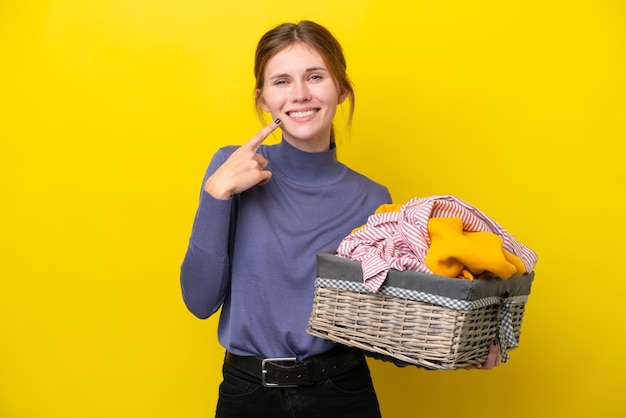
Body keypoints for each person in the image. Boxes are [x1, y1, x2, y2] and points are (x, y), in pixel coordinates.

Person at [180, 20, 500, 418]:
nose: (300, 95)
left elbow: (375, 324)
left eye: (315, 77)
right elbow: (199, 300)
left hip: (341, 395)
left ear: (341, 89)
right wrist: (216, 193)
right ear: (263, 99)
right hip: (249, 396)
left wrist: (451, 351)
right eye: (281, 81)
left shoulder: (371, 198)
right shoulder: (231, 169)